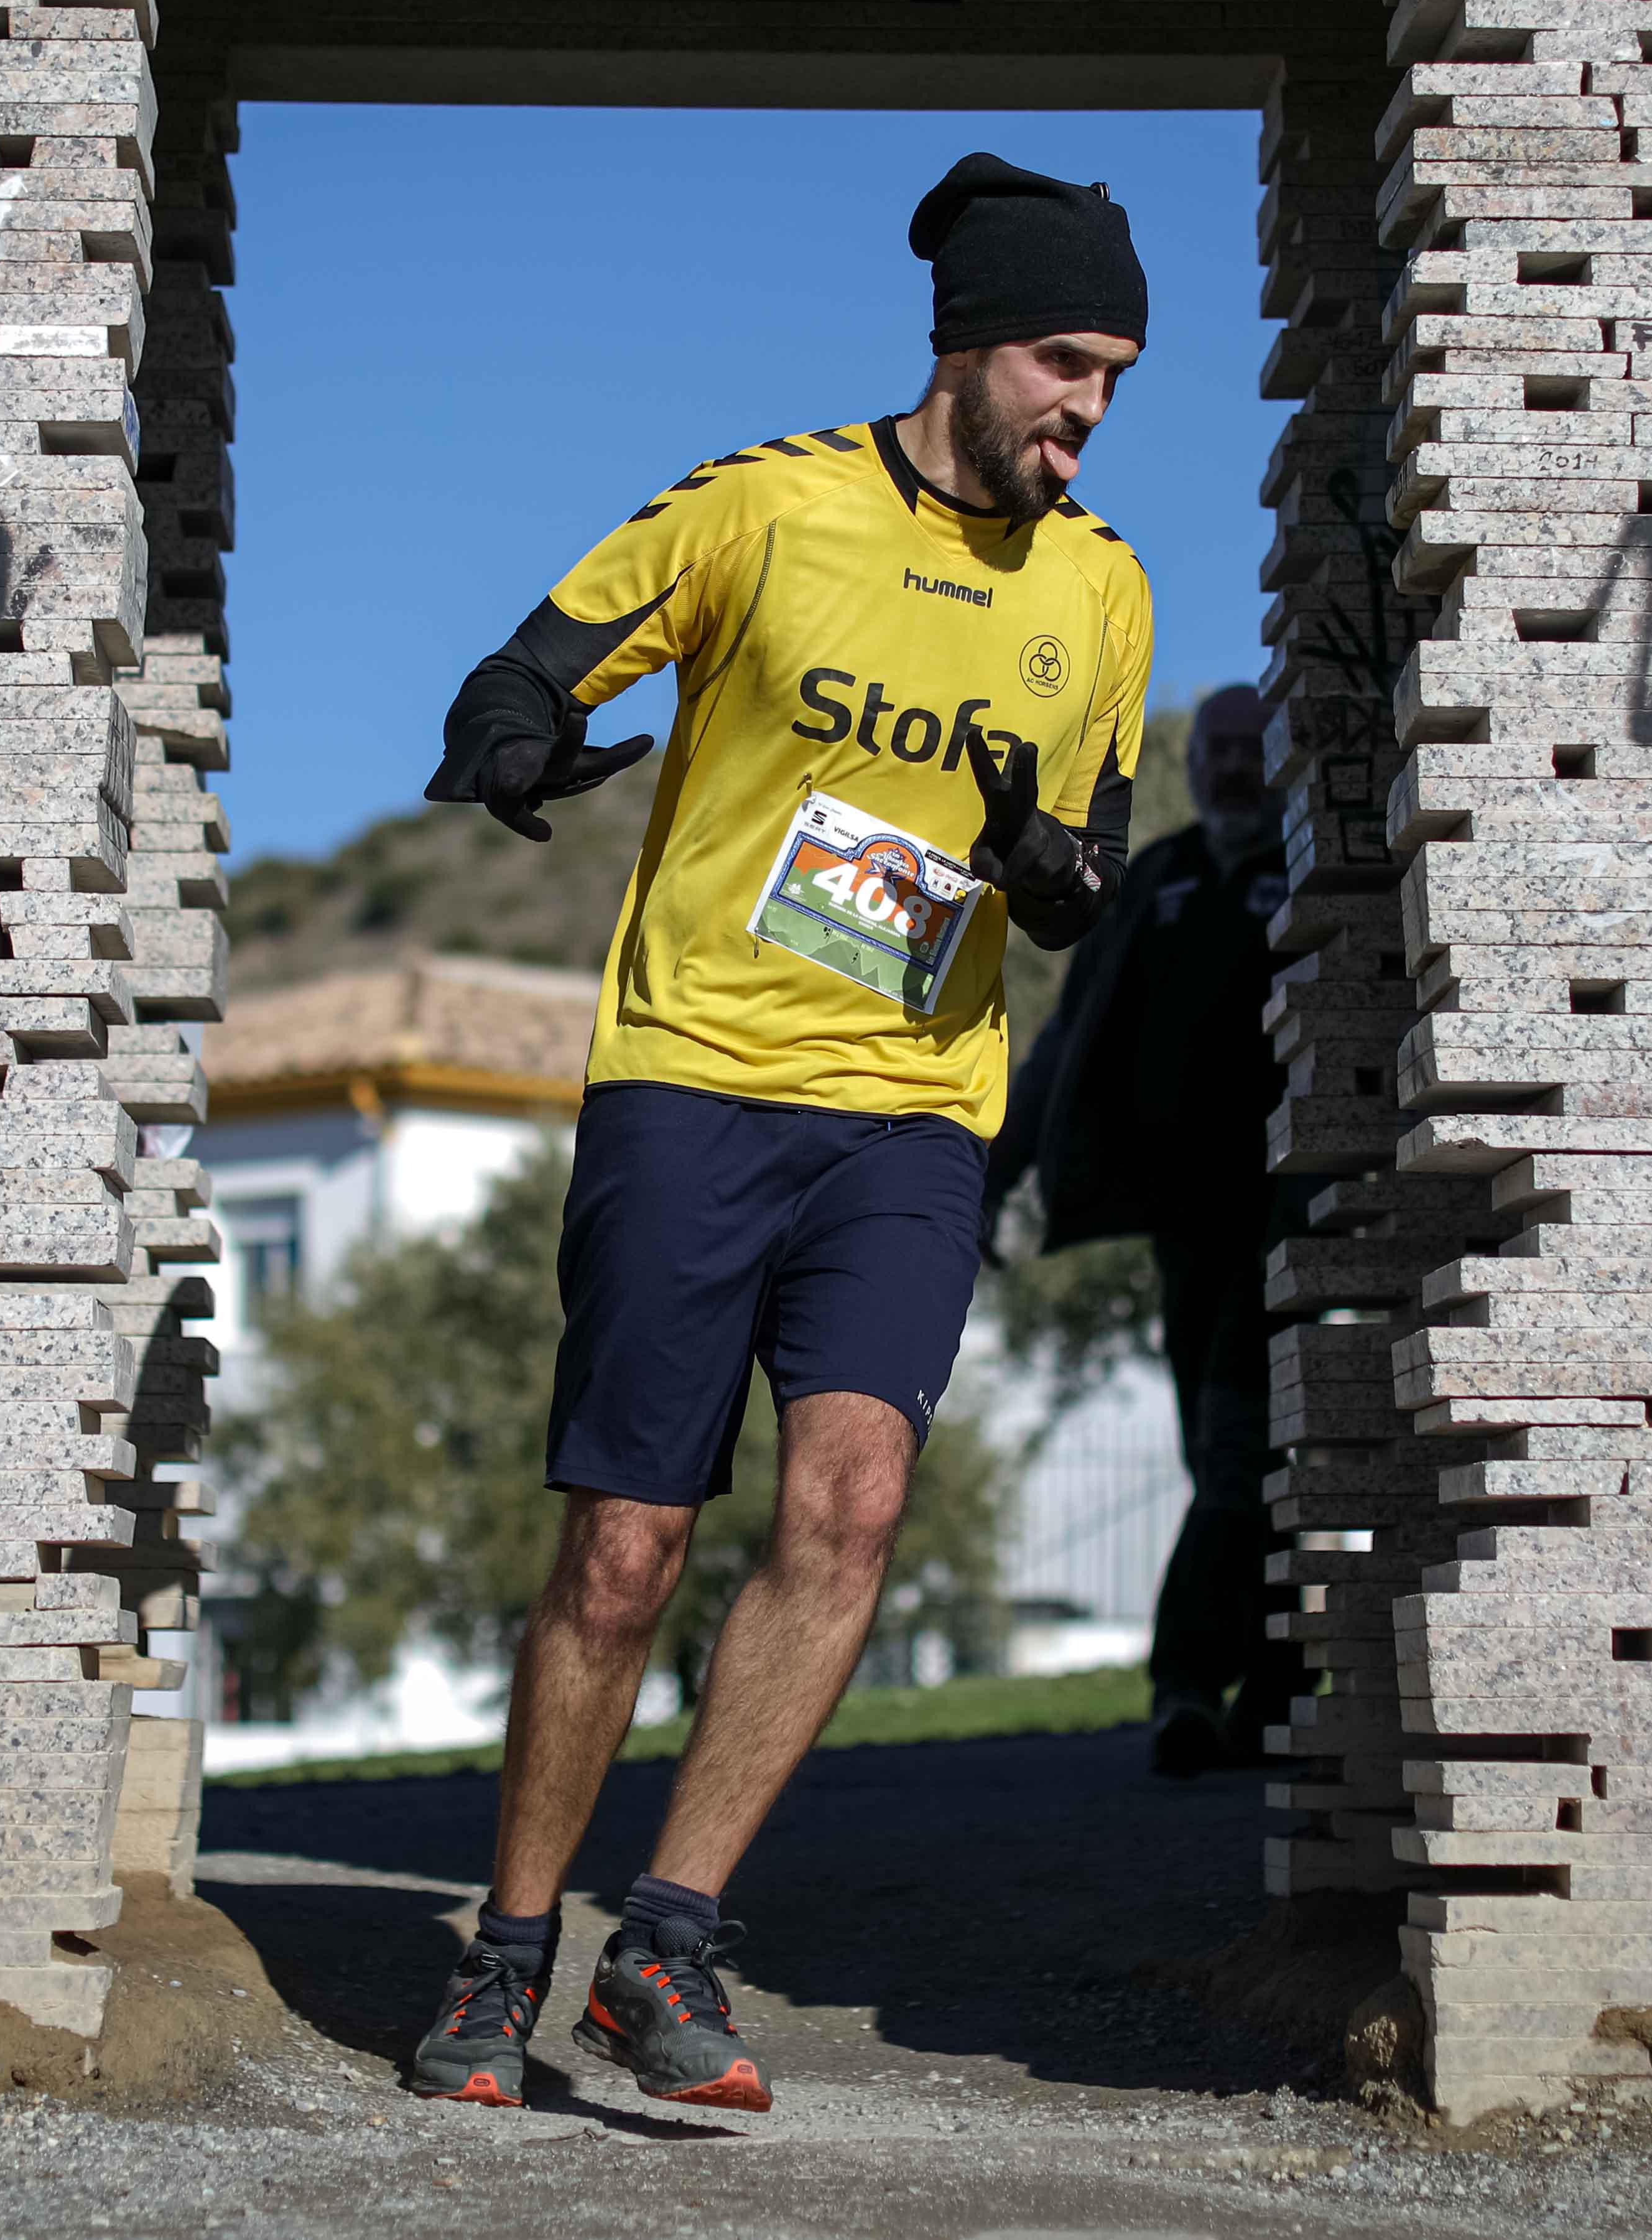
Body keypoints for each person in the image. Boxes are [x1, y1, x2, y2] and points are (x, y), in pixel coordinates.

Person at [401, 152, 1156, 2113]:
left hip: (912, 1112)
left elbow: (1088, 876)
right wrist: (507, 747)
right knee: (626, 1548)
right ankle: (503, 1956)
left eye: (1115, 379)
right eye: (1064, 363)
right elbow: (529, 659)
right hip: (697, 1075)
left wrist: (1037, 867)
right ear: (968, 347)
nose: (1085, 409)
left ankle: (666, 1945)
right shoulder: (762, 503)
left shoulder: (1102, 588)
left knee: (849, 1506)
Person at [981, 684, 1307, 1779]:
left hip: (1296, 1217)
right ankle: (1273, 1685)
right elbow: (1066, 1043)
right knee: (1224, 1454)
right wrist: (996, 1175)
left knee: (1237, 1451)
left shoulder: (1315, 868)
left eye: (1246, 750)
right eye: (1211, 751)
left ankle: (1185, 1685)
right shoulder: (1159, 876)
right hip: (1183, 1221)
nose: (1225, 769)